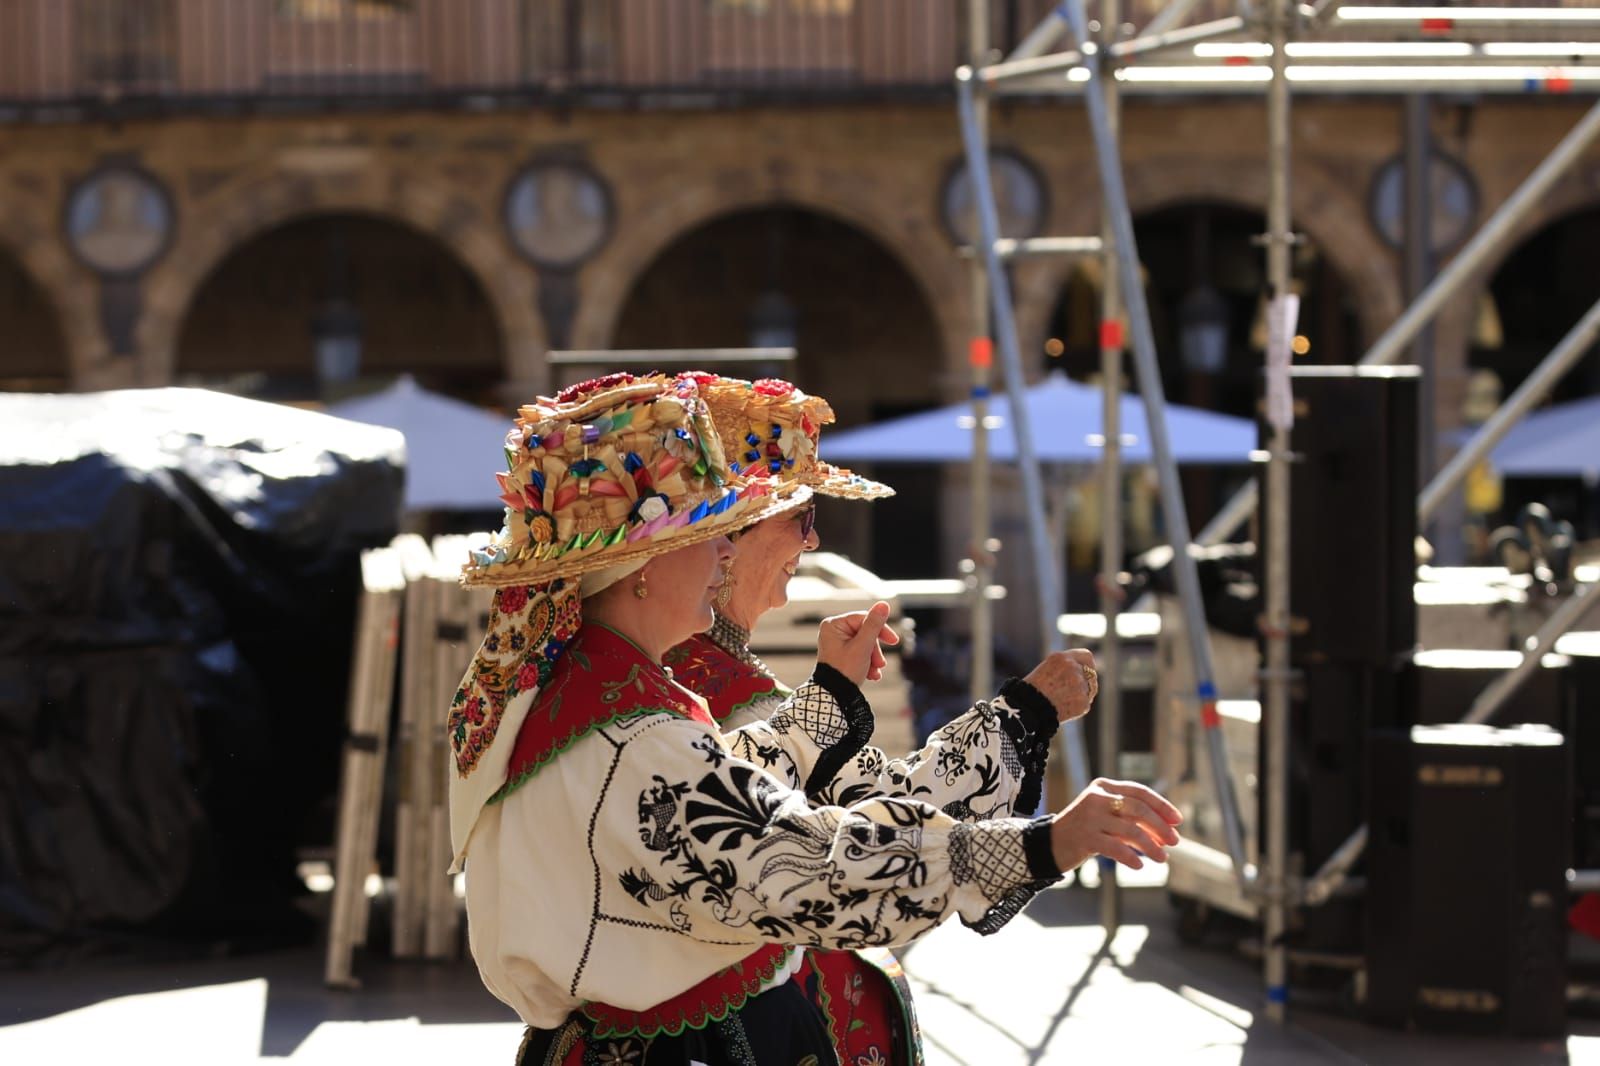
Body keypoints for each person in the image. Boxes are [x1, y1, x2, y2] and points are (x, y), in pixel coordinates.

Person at [449, 371, 1182, 1064]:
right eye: (714, 531)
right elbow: (807, 862)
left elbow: (741, 782)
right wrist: (1046, 839)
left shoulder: (589, 698)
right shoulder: (634, 734)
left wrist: (829, 699)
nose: (724, 553)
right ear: (643, 566)